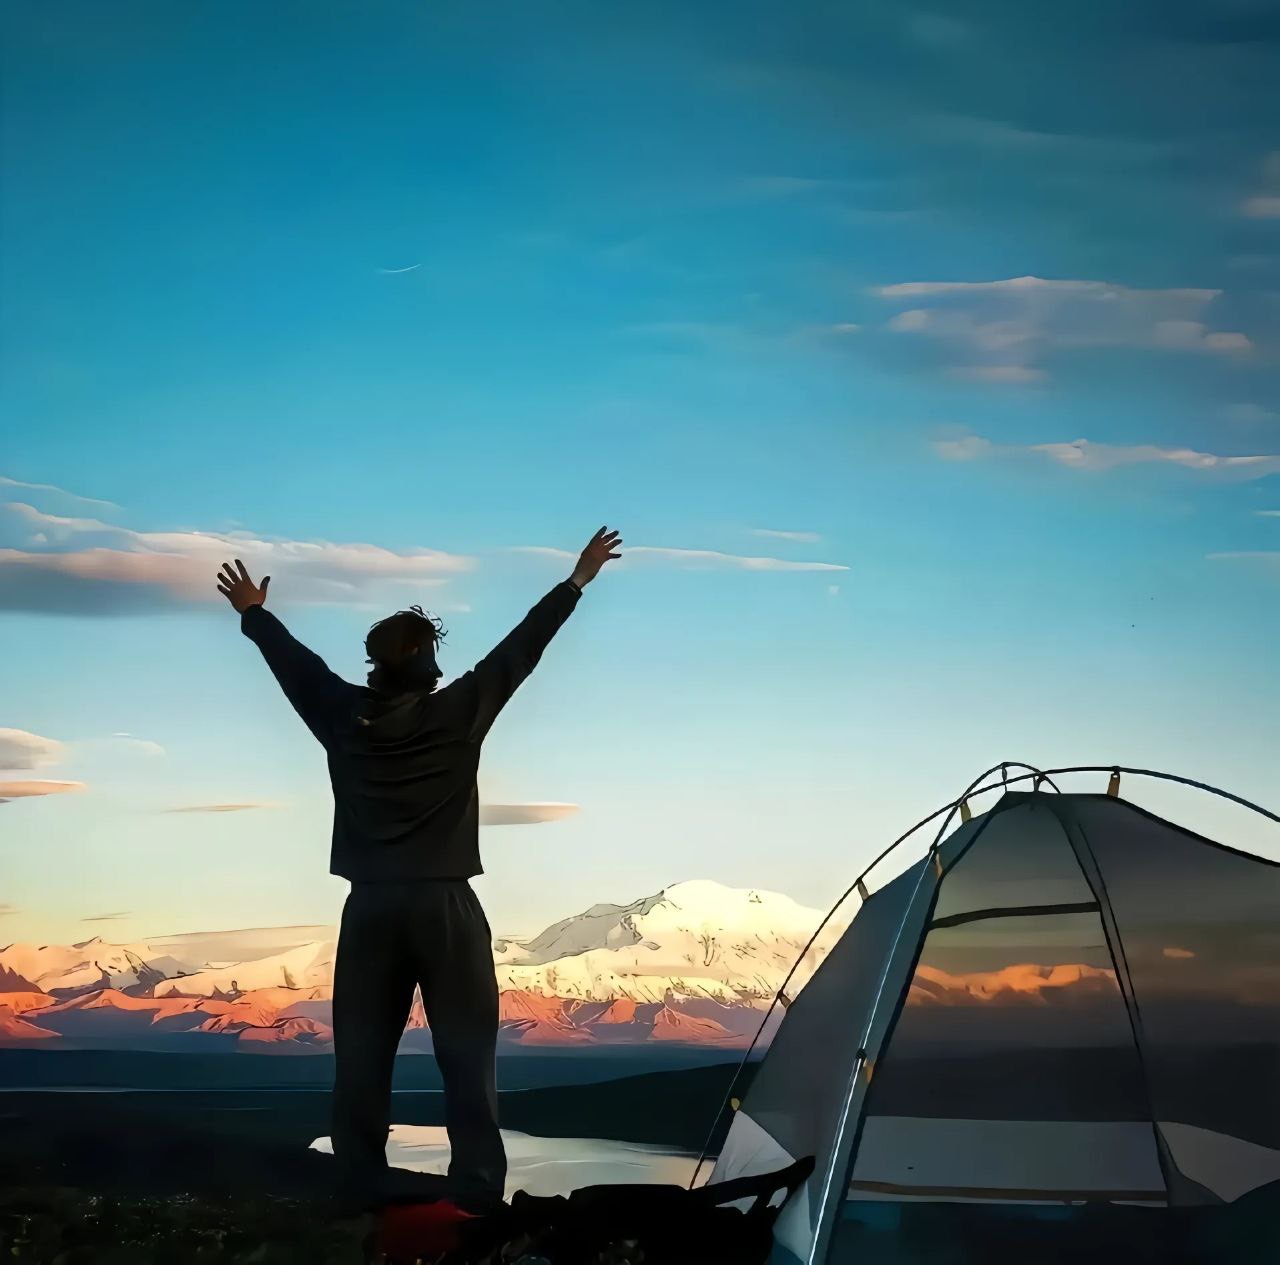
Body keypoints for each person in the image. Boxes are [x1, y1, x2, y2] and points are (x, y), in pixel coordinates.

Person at [215, 527, 622, 1212]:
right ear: (430, 664)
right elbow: (520, 650)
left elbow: (297, 665)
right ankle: (474, 1204)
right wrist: (576, 581)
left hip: (370, 906)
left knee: (362, 1060)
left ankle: (357, 1196)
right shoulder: (458, 712)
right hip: (445, 905)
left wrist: (254, 612)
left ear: (372, 664)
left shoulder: (340, 715)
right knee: (467, 1060)